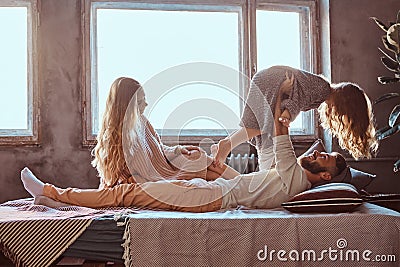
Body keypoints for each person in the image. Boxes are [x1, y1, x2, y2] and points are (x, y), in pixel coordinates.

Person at [20, 81, 347, 212]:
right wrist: (220, 168)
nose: (317, 153)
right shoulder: (289, 179)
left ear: (323, 179)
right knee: (136, 190)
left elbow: (279, 127)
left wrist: (283, 92)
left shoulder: (296, 177)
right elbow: (249, 187)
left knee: (127, 195)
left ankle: (51, 194)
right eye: (324, 151)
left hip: (215, 195)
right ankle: (52, 193)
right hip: (221, 189)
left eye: (325, 159)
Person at [212, 66, 378, 173]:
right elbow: (297, 97)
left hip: (267, 77)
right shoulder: (323, 89)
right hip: (273, 80)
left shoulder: (322, 91)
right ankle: (228, 145)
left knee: (259, 127)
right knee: (262, 127)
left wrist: (287, 110)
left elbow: (297, 94)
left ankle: (229, 144)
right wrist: (288, 113)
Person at [89, 77, 239, 189]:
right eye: (141, 102)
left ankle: (244, 182)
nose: (146, 104)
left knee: (199, 157)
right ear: (127, 106)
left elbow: (159, 148)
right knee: (211, 174)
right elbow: (115, 177)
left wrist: (179, 150)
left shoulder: (143, 122)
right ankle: (244, 187)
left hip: (163, 167)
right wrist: (130, 180)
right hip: (153, 177)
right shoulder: (116, 137)